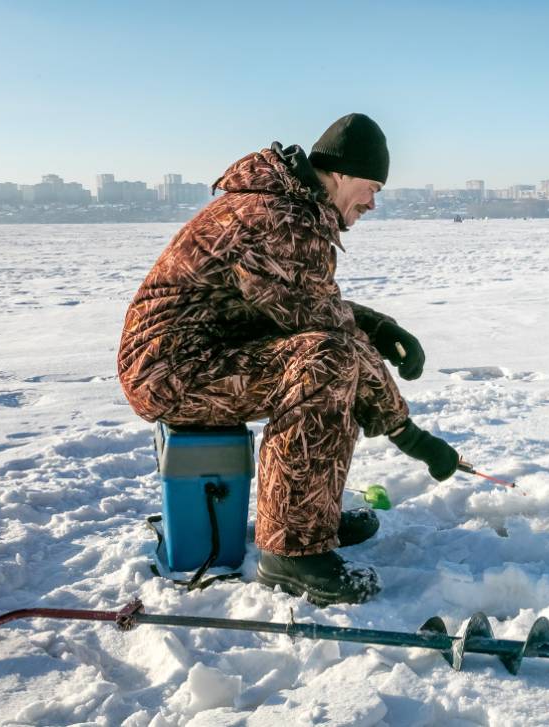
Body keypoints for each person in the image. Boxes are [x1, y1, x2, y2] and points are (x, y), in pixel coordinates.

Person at [118, 113, 459, 605]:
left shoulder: (287, 208)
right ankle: (292, 552)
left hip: (204, 355)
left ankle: (309, 518)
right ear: (340, 174)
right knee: (325, 363)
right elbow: (325, 331)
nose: (373, 202)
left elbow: (308, 303)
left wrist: (378, 327)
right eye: (371, 187)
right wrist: (411, 435)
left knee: (328, 358)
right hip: (173, 372)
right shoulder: (278, 221)